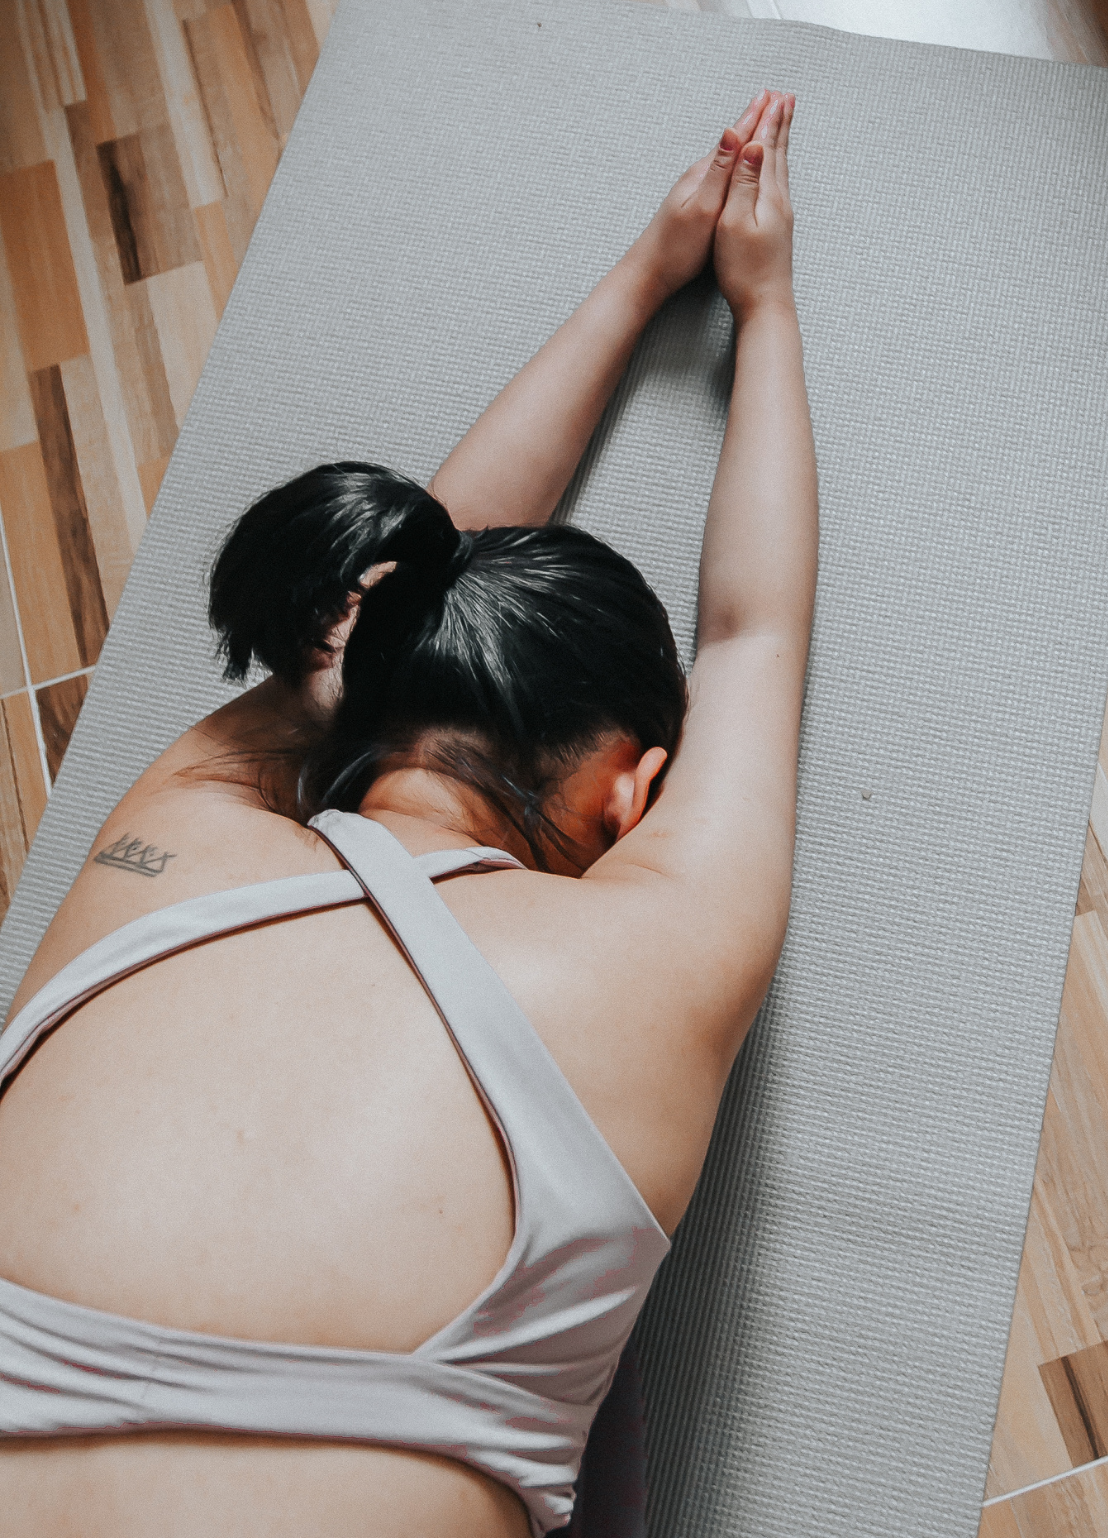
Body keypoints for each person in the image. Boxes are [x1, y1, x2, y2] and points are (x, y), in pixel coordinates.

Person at [0, 89, 816, 1538]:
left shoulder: (178, 824)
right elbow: (755, 637)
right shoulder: (657, 956)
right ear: (635, 793)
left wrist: (644, 270)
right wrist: (765, 305)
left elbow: (408, 563)